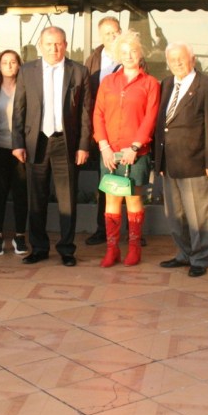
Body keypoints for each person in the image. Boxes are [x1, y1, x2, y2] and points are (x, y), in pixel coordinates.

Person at [12, 27, 91, 267]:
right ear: (40, 45)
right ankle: (39, 248)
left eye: (58, 43)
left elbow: (85, 112)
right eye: (48, 44)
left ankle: (66, 249)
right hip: (36, 142)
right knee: (36, 198)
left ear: (65, 45)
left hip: (66, 142)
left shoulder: (79, 71)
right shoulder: (27, 71)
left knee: (67, 200)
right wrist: (18, 143)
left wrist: (83, 145)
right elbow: (19, 109)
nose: (53, 48)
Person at [154, 43, 208, 277]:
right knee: (175, 215)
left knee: (199, 217)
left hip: (197, 162)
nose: (177, 63)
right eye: (172, 60)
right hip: (170, 163)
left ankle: (200, 259)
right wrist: (159, 160)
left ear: (192, 60)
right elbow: (162, 124)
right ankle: (184, 254)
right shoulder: (166, 84)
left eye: (181, 59)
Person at [93, 32, 159, 268]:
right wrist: (104, 146)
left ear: (140, 53)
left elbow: (150, 117)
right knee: (111, 200)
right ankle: (112, 250)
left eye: (133, 51)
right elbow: (98, 114)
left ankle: (134, 249)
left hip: (136, 154)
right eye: (124, 52)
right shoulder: (108, 82)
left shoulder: (150, 83)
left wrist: (135, 147)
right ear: (117, 55)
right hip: (109, 152)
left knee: (133, 199)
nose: (129, 56)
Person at [0, 50, 28, 256]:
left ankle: (20, 236)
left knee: (21, 193)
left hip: (21, 150)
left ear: (19, 65)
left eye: (13, 62)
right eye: (4, 62)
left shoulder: (27, 87)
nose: (9, 66)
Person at [84, 16, 123, 246]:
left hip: (128, 129)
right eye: (107, 33)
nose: (112, 36)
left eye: (115, 32)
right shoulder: (93, 60)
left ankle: (134, 231)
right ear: (101, 36)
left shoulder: (132, 55)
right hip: (103, 131)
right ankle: (104, 229)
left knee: (130, 180)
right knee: (106, 181)